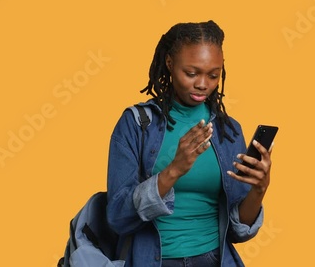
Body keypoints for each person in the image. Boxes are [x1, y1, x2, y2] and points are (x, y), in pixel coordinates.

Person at [106, 20, 274, 267]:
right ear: (170, 64)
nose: (203, 84)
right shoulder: (136, 124)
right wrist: (174, 170)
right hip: (154, 260)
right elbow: (118, 216)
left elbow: (239, 230)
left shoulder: (228, 130)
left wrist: (260, 188)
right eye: (191, 73)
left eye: (213, 75)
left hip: (214, 259)